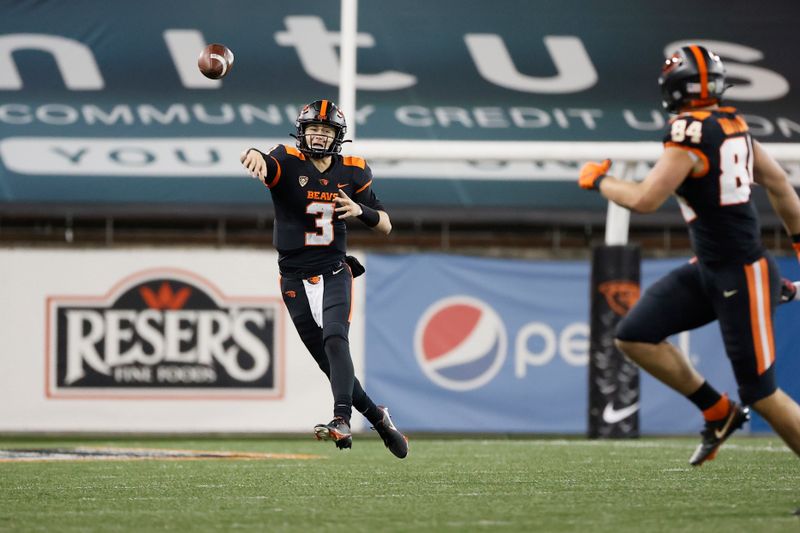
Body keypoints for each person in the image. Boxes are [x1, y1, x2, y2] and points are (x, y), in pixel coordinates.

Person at [578, 45, 800, 465]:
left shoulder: (687, 134)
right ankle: (718, 412)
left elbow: (645, 199)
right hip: (712, 269)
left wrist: (600, 181)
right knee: (635, 335)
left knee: (764, 395)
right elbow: (781, 186)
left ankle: (771, 294)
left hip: (741, 272)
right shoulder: (733, 125)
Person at [240, 99, 408, 458]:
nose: (318, 136)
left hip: (334, 269)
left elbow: (386, 224)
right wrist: (253, 152)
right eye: (313, 129)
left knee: (336, 338)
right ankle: (380, 419)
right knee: (329, 364)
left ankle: (342, 419)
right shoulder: (286, 159)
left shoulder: (354, 170)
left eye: (325, 130)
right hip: (293, 276)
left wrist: (360, 210)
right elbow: (267, 164)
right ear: (301, 132)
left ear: (338, 136)